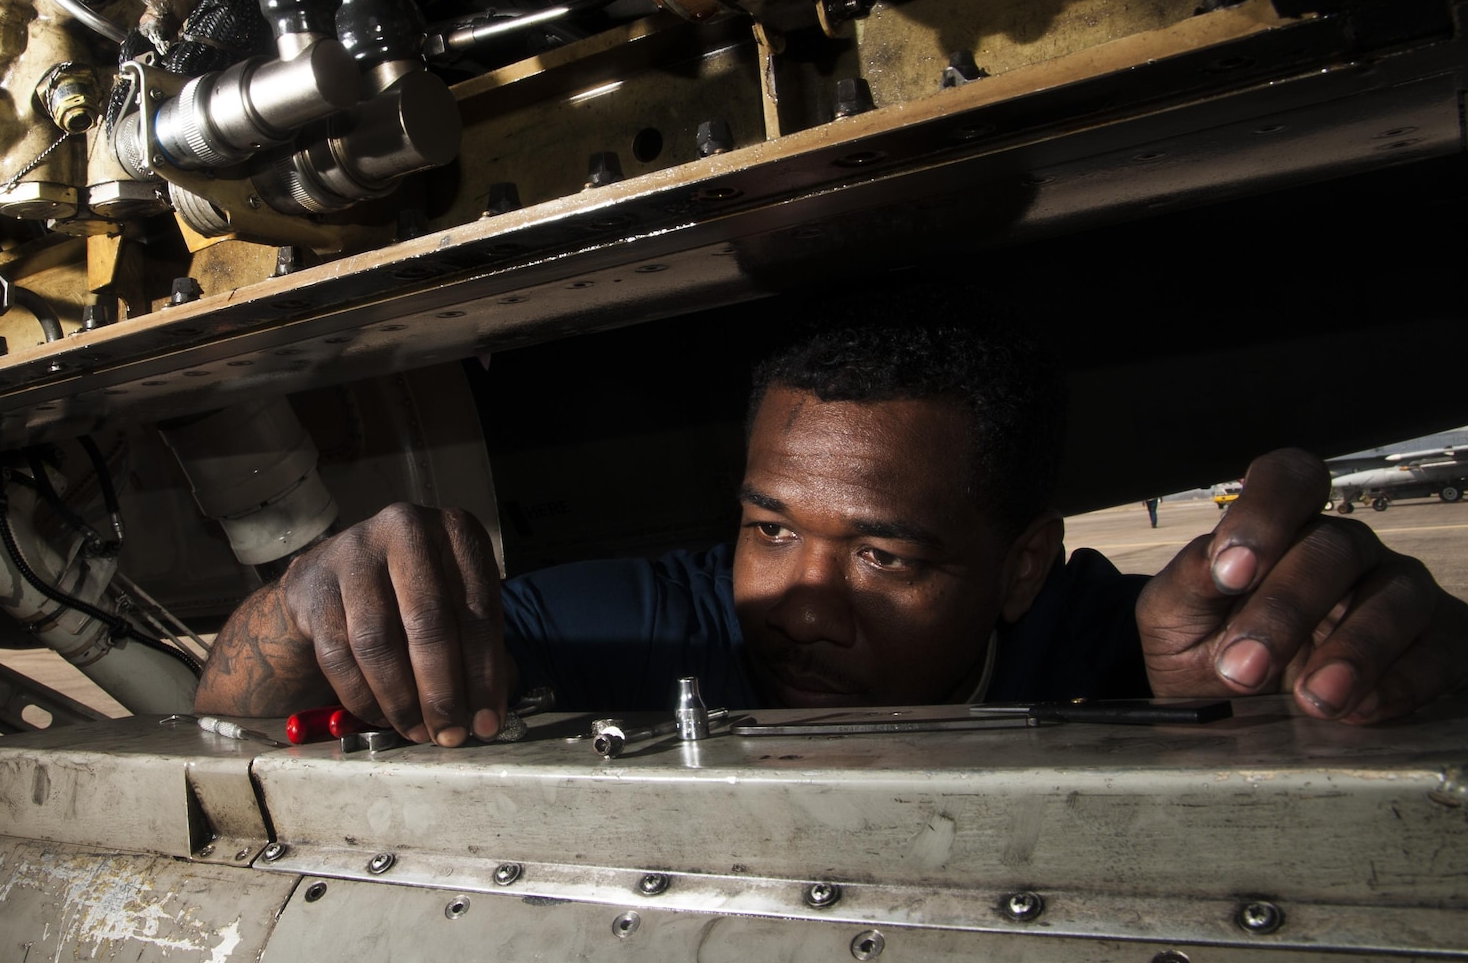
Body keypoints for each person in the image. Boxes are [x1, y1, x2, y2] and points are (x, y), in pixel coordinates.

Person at [193, 295, 1468, 745]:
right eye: (767, 528)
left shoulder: (1130, 643)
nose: (800, 603)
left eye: (882, 554)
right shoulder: (635, 623)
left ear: (1021, 564)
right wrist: (306, 607)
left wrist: (1258, 714)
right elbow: (228, 716)